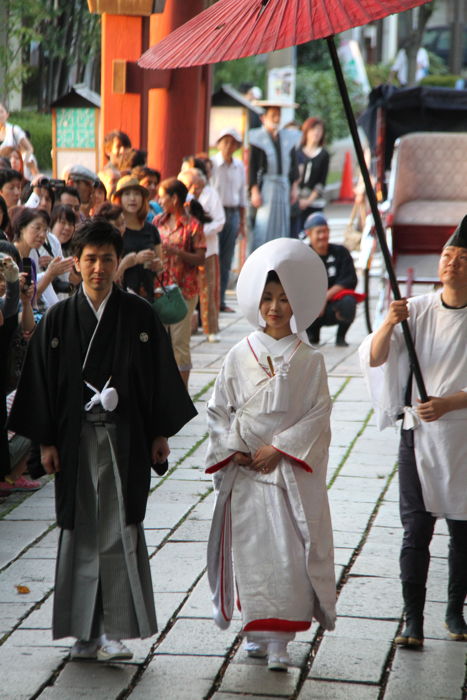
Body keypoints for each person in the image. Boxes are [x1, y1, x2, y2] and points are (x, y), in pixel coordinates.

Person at [9, 219, 197, 660]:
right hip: (74, 440)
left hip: (125, 438)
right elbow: (42, 383)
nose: (98, 268)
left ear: (118, 263)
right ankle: (83, 632)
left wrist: (159, 433)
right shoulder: (58, 318)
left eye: (106, 260)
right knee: (80, 531)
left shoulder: (139, 316)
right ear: (76, 263)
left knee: (118, 530)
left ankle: (114, 631)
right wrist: (46, 443)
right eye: (90, 259)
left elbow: (157, 380)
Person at [205, 237, 336, 672]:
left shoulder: (310, 359)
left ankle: (281, 642)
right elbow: (218, 408)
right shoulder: (239, 354)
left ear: (296, 302)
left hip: (285, 476)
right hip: (246, 472)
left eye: (283, 298)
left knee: (289, 556)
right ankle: (257, 632)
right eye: (267, 298)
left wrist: (279, 448)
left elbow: (319, 413)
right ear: (257, 304)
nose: (275, 307)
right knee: (254, 554)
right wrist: (234, 449)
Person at [359, 217, 467, 648]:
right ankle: (413, 619)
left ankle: (455, 610)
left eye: (461, 258)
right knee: (415, 528)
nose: (452, 264)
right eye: (447, 256)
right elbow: (376, 357)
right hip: (419, 433)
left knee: (463, 529)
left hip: (462, 435)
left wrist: (449, 403)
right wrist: (388, 322)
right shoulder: (418, 310)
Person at [154, 178, 207, 387]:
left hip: (184, 291)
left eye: (162, 195)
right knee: (159, 341)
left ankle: (181, 393)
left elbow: (201, 258)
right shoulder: (157, 221)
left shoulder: (193, 225)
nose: (159, 199)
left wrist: (178, 252)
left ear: (174, 198)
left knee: (179, 343)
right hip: (159, 288)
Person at [178, 167, 225, 342]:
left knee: (208, 289)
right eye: (189, 185)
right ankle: (183, 326)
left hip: (207, 250)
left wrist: (198, 233)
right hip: (183, 250)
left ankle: (211, 329)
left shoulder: (211, 194)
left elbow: (219, 222)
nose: (194, 189)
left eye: (197, 186)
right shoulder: (179, 196)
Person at [249, 102, 299, 251]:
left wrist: (294, 186)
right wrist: (254, 190)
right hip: (267, 184)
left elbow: (293, 163)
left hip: (284, 184)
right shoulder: (257, 137)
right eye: (273, 115)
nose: (276, 119)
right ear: (264, 118)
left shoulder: (286, 137)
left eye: (278, 115)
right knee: (264, 224)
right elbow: (253, 166)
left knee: (282, 223)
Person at [304, 212, 358, 347]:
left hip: (333, 305)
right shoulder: (303, 255)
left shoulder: (340, 252)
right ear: (309, 234)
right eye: (319, 232)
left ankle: (341, 337)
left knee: (349, 302)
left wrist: (324, 297)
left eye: (326, 231)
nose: (323, 236)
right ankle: (311, 333)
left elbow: (349, 279)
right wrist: (316, 301)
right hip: (310, 308)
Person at [211, 128, 247, 313]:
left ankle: (221, 300)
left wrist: (242, 222)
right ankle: (211, 300)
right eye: (225, 142)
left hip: (232, 212)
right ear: (219, 143)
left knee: (227, 259)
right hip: (215, 212)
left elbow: (242, 195)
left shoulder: (239, 165)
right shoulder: (212, 164)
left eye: (232, 143)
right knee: (212, 258)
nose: (228, 146)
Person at [111, 175, 162, 300]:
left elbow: (160, 265)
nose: (132, 199)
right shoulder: (114, 230)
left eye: (137, 194)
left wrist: (157, 265)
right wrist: (134, 260)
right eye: (127, 194)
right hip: (121, 296)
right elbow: (110, 272)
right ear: (119, 199)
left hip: (147, 296)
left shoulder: (151, 229)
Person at [292, 117, 330, 237]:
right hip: (296, 201)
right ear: (306, 131)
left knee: (314, 235)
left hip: (314, 203)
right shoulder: (296, 152)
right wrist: (297, 198)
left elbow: (321, 182)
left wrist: (308, 201)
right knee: (296, 235)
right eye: (313, 129)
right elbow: (293, 177)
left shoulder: (324, 154)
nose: (316, 133)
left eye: (320, 130)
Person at [0, 103, 35, 174]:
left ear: (7, 114)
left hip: (12, 173)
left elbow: (29, 148)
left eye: (1, 112)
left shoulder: (14, 130)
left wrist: (23, 164)